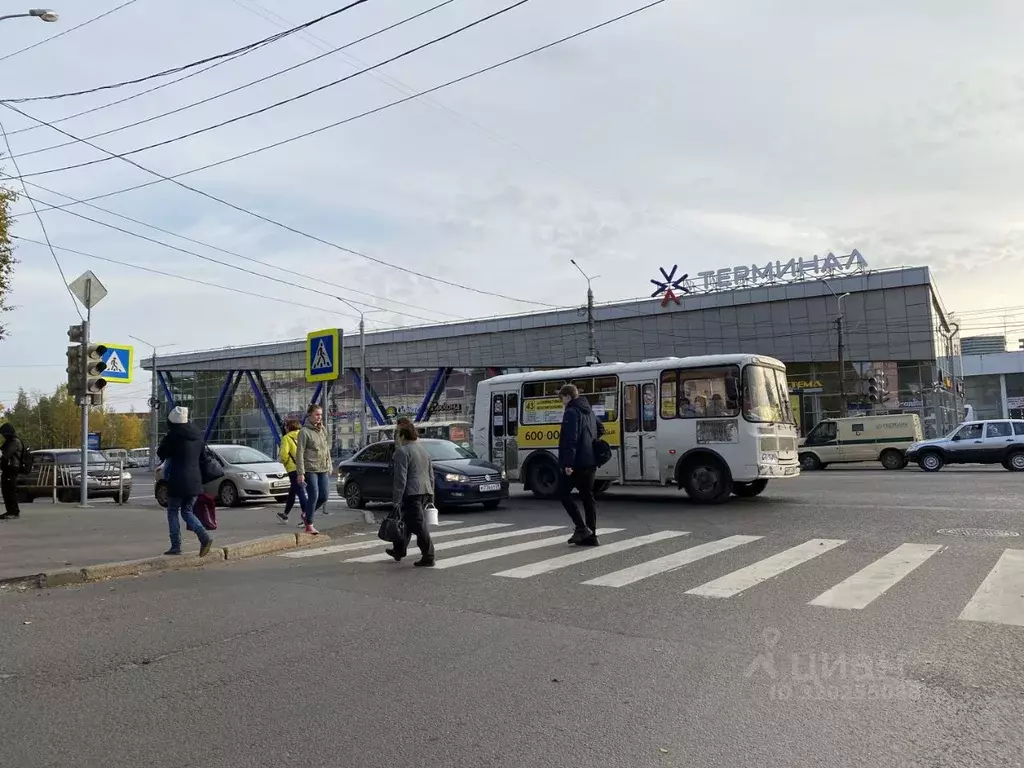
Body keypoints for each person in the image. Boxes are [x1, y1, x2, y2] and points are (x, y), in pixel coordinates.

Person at [157, 406, 215, 557]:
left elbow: (161, 453)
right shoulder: (197, 435)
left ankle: (176, 546)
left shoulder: (173, 436)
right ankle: (204, 537)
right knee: (187, 511)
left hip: (177, 480)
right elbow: (203, 458)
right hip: (195, 481)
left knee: (173, 511)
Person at [557, 383, 605, 546]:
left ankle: (581, 528)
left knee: (563, 494)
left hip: (576, 462)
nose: (561, 401)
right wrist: (588, 441)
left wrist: (568, 463)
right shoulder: (589, 410)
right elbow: (601, 429)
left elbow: (570, 439)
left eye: (561, 398)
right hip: (590, 460)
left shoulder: (571, 411)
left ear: (567, 396)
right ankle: (592, 535)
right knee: (587, 497)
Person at [385, 418, 435, 567]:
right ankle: (399, 550)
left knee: (419, 526)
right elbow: (431, 474)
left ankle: (429, 556)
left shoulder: (402, 451)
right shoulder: (422, 450)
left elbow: (401, 478)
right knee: (406, 521)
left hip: (411, 492)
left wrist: (396, 499)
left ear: (402, 436)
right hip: (424, 490)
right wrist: (431, 494)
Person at [296, 403, 331, 536]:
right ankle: (309, 524)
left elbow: (326, 449)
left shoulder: (323, 430)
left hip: (323, 467)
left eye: (321, 415)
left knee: (324, 496)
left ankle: (306, 514)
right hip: (310, 468)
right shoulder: (304, 432)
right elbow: (299, 453)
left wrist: (330, 466)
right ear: (309, 415)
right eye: (316, 414)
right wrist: (301, 473)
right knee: (314, 495)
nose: (319, 417)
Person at [276, 418, 308, 525]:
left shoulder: (286, 438)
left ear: (289, 427)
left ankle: (307, 517)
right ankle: (285, 514)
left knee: (300, 492)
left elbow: (283, 455)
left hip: (293, 469)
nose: (285, 428)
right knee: (292, 492)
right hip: (305, 467)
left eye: (286, 426)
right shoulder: (303, 435)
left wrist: (286, 463)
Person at [0, 423, 25, 520]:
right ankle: (10, 511)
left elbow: (6, 454)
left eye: (3, 434)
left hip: (12, 468)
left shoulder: (14, 442)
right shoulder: (10, 441)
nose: (3, 436)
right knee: (6, 490)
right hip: (8, 468)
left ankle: (14, 512)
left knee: (10, 490)